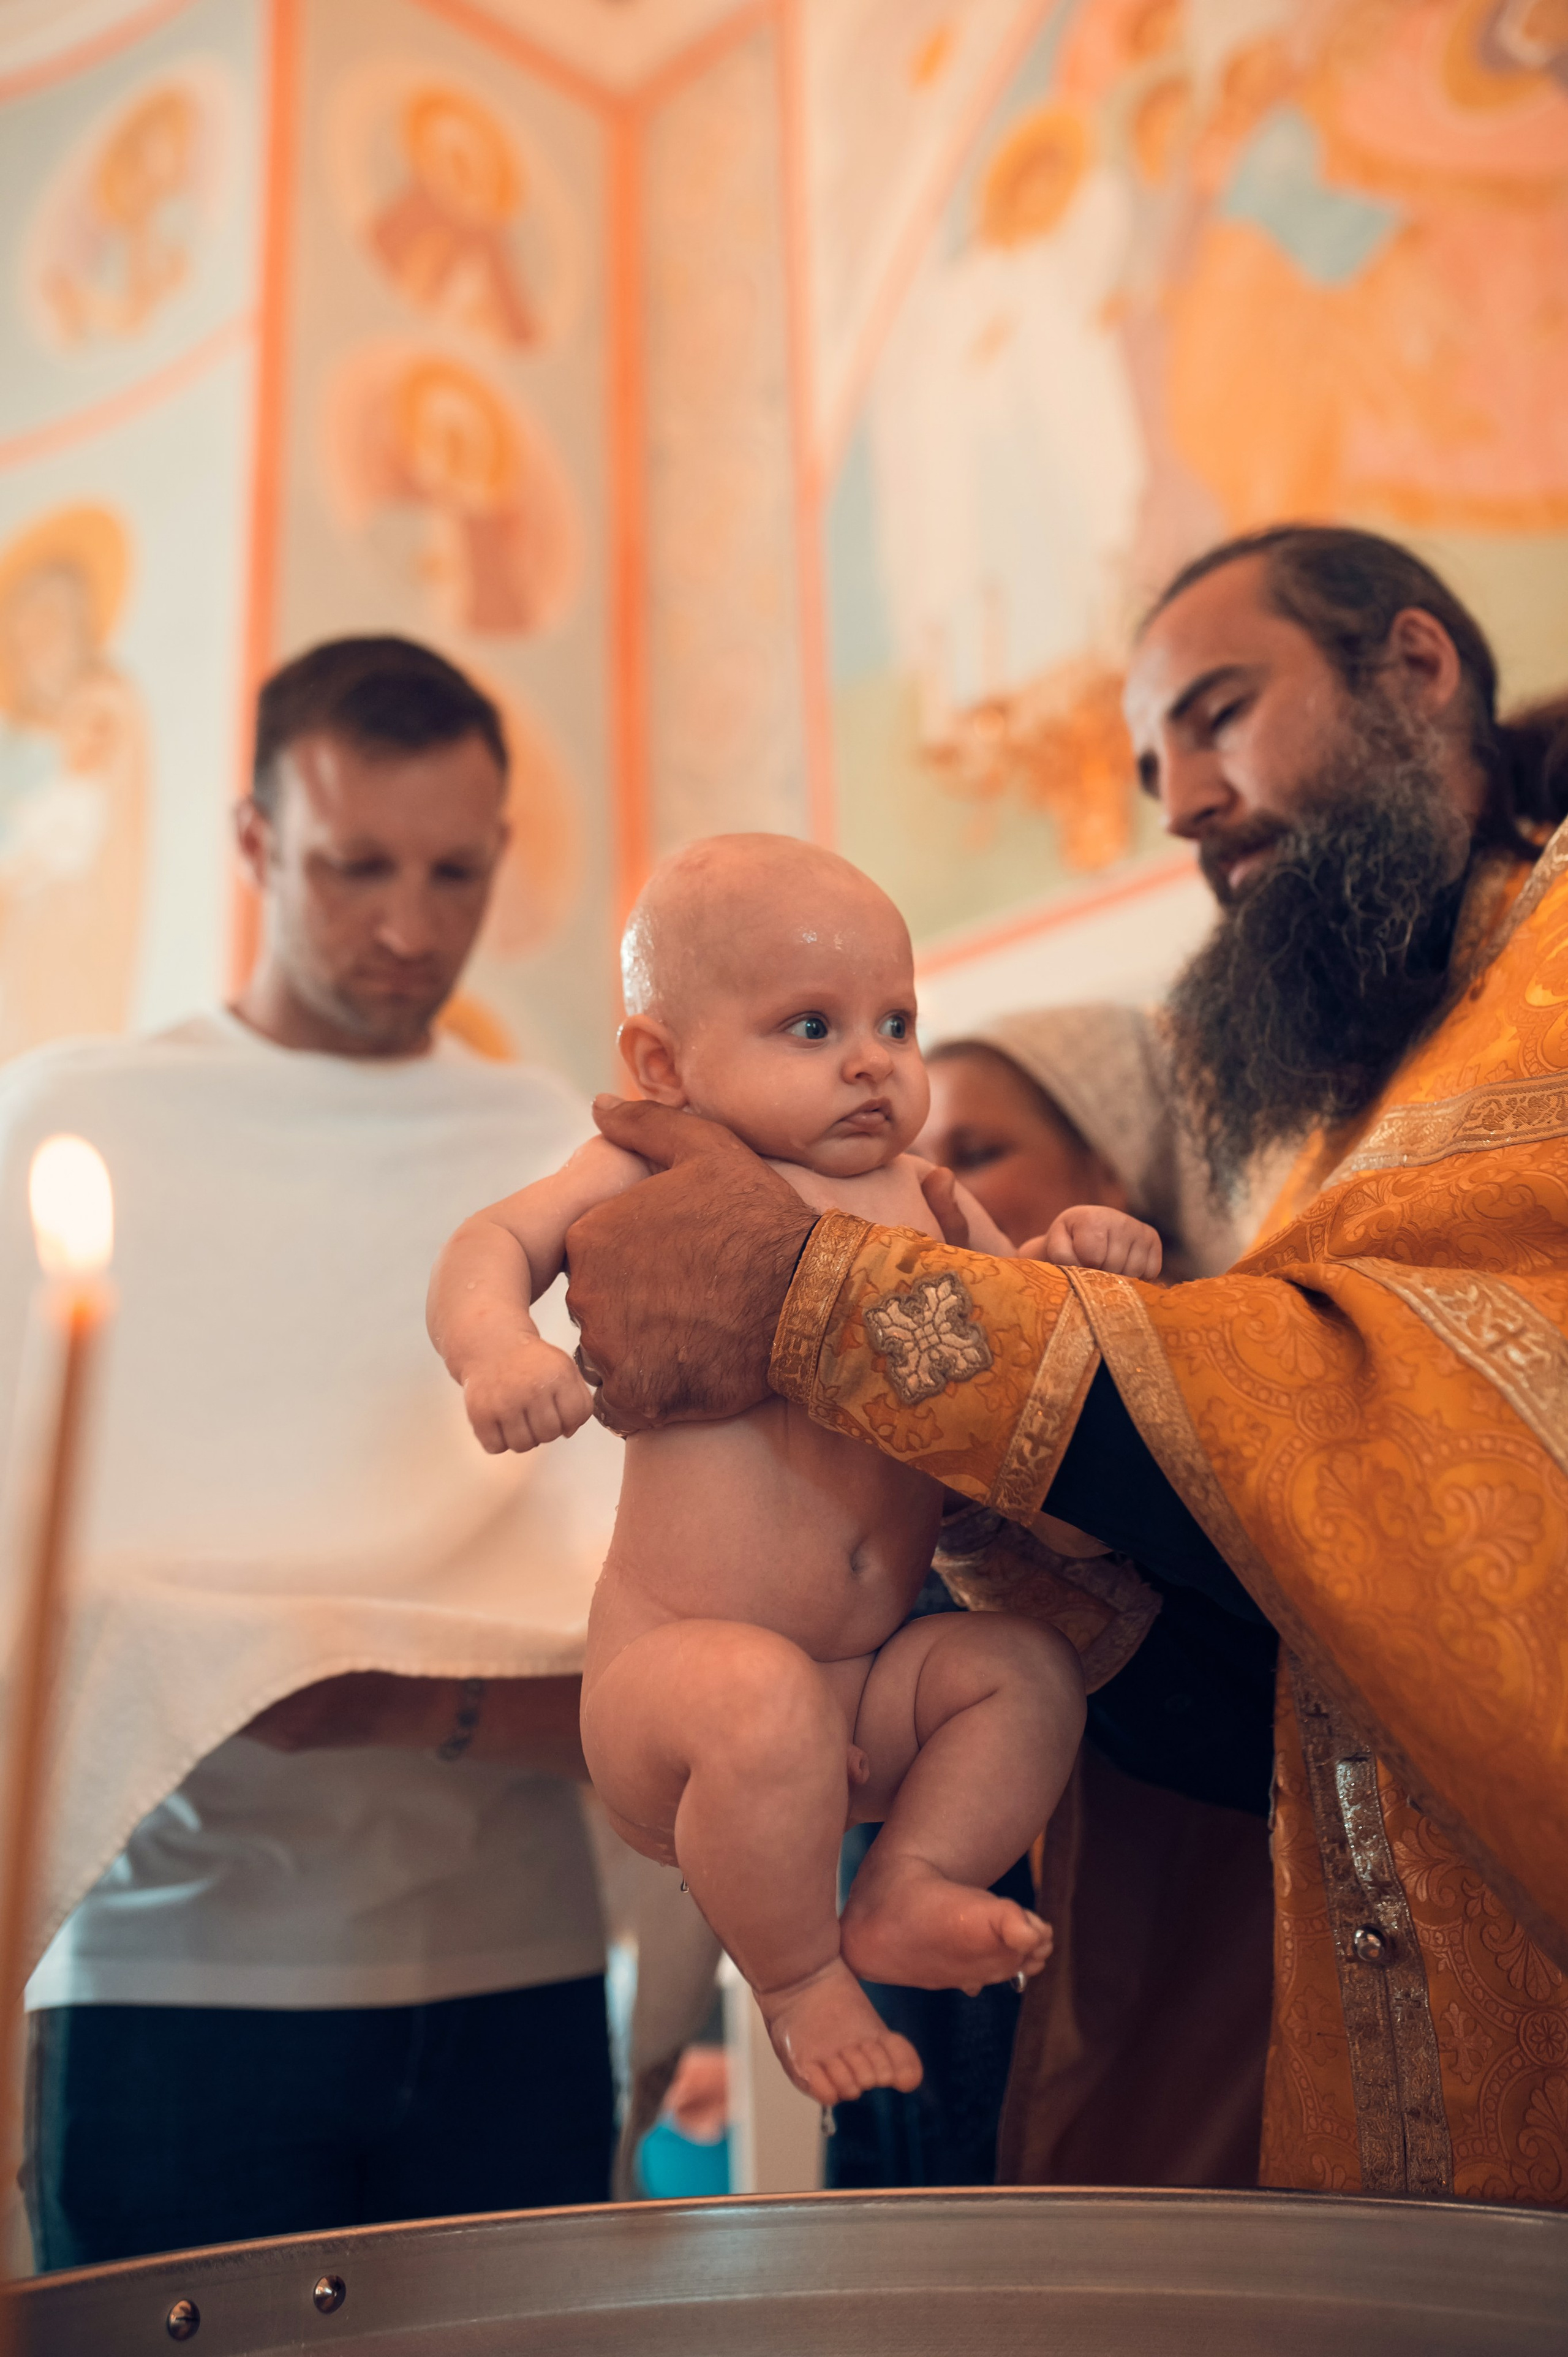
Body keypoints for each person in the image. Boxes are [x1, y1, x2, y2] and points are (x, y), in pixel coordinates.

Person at [560, 526, 1568, 2207]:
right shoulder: (1320, 1116)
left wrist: (816, 1297)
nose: (1180, 799)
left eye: (1221, 713)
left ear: (1418, 668)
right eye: (1152, 759)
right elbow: (1299, 1562)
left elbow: (1443, 1417)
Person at [4, 636, 620, 2267]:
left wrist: (389, 1700)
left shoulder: (538, 1144)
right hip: (172, 1983)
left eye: (455, 874)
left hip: (522, 1972)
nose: (411, 928)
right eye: (355, 867)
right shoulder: (66, 1128)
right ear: (257, 842)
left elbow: (655, 1592)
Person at [428, 834, 1162, 2108]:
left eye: (894, 1019)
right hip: (677, 1679)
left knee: (1019, 1673)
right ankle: (797, 1976)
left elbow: (1019, 1328)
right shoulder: (654, 1162)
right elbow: (492, 1237)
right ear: (664, 1063)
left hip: (866, 1686)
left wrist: (1073, 1257)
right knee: (756, 1698)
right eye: (811, 1025)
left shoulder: (927, 1196)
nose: (871, 1060)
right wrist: (497, 1346)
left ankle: (910, 1882)